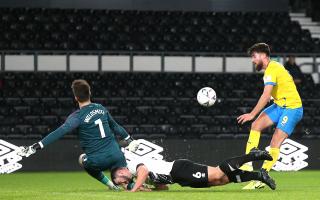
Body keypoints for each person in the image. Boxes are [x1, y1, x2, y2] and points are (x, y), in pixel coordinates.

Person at [18, 79, 139, 190]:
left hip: (98, 161)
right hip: (116, 155)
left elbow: (59, 132)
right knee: (121, 174)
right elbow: (116, 127)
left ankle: (111, 185)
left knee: (82, 159)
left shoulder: (77, 116)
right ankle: (133, 183)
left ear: (76, 98)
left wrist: (36, 146)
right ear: (89, 93)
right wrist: (130, 139)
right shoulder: (101, 108)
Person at [237, 43, 303, 189]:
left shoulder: (272, 69)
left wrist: (252, 114)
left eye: (254, 57)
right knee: (256, 126)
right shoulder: (274, 68)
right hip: (280, 105)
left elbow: (266, 95)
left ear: (263, 55)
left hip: (292, 108)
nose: (253, 60)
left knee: (274, 142)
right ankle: (247, 166)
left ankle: (262, 177)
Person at [110, 148, 276, 192]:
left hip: (179, 169)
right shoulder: (138, 177)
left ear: (121, 172)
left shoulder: (132, 166)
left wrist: (133, 191)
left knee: (219, 172)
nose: (124, 183)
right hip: (181, 179)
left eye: (120, 181)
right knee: (222, 180)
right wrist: (148, 189)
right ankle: (259, 175)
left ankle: (252, 156)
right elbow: (164, 187)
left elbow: (144, 171)